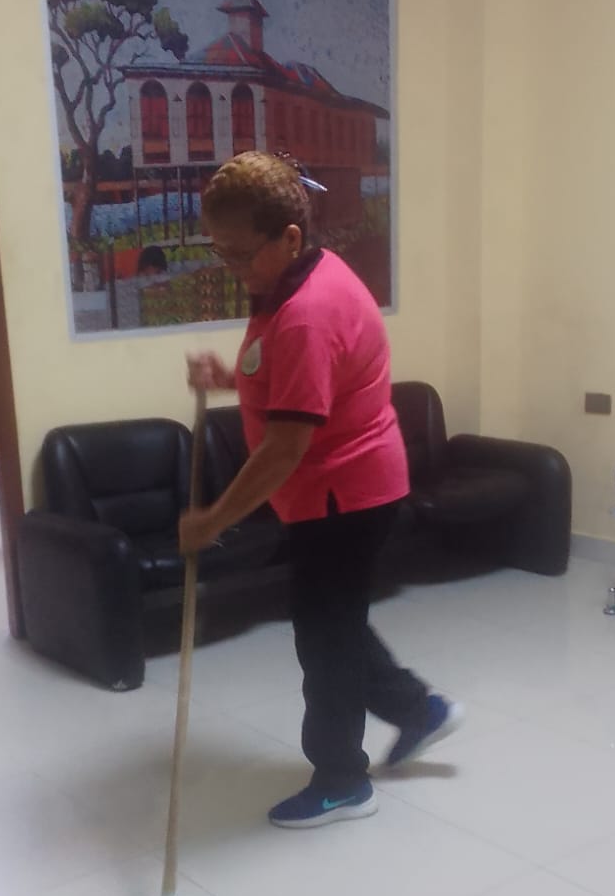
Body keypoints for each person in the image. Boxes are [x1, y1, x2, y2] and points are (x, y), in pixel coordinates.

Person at [179, 150, 461, 829]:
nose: (232, 267)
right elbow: (295, 378)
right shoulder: (299, 277)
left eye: (240, 253)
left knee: (325, 642)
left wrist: (214, 518)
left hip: (343, 498)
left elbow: (284, 447)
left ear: (289, 237)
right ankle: (420, 709)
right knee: (333, 622)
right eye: (219, 251)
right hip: (342, 490)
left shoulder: (307, 310)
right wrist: (230, 378)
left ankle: (341, 782)